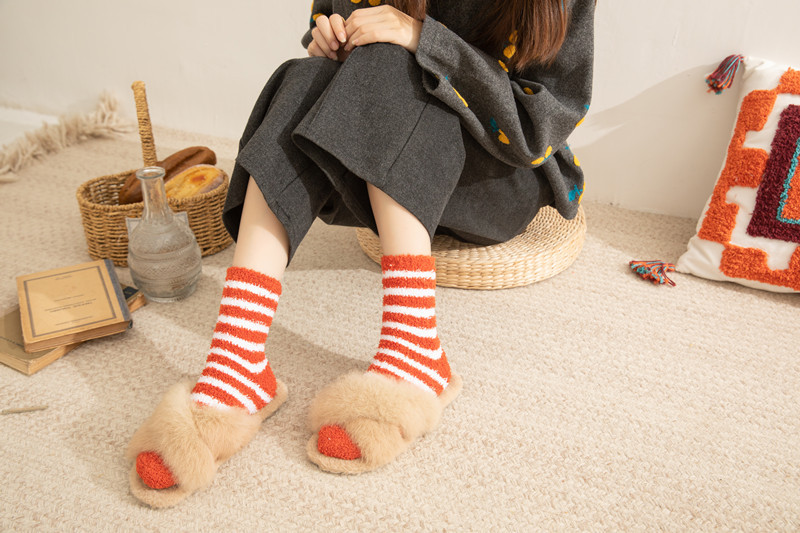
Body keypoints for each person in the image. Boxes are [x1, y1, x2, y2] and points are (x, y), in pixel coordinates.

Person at [126, 0, 594, 507]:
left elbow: (541, 129)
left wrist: (423, 40)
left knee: (393, 61)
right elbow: (337, 35)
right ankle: (237, 360)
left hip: (499, 182)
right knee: (304, 77)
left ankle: (414, 349)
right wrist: (331, 39)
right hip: (388, 170)